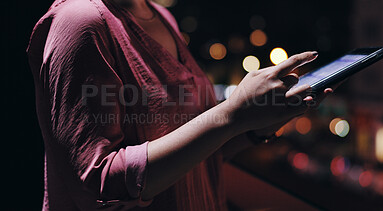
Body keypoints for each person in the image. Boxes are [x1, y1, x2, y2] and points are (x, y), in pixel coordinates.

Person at [27, 0, 333, 210]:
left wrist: (254, 127)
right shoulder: (81, 23)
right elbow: (98, 185)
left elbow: (192, 159)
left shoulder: (162, 17)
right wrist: (231, 113)